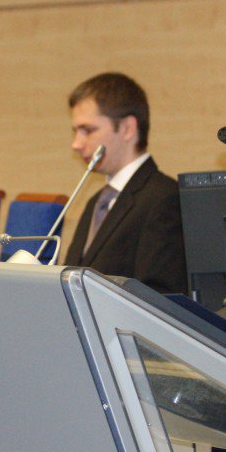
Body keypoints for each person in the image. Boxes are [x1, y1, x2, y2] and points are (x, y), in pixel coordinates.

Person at [62, 72, 186, 293]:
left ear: (127, 128)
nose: (76, 144)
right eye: (75, 132)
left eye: (87, 130)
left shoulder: (165, 198)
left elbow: (160, 296)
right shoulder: (96, 201)